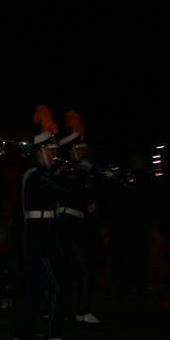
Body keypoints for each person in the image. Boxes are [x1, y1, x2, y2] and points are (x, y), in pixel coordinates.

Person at [11, 118, 85, 340]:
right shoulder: (35, 174)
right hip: (39, 237)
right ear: (40, 151)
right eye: (51, 149)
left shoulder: (45, 173)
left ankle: (22, 338)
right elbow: (62, 192)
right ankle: (54, 338)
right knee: (63, 285)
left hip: (44, 235)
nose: (56, 153)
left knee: (35, 290)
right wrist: (78, 171)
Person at [55, 125, 102, 325]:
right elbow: (70, 194)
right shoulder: (64, 170)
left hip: (77, 224)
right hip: (67, 225)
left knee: (69, 271)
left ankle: (62, 310)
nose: (85, 153)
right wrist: (83, 172)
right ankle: (82, 311)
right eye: (81, 149)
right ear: (72, 150)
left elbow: (84, 198)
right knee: (86, 268)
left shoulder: (77, 171)